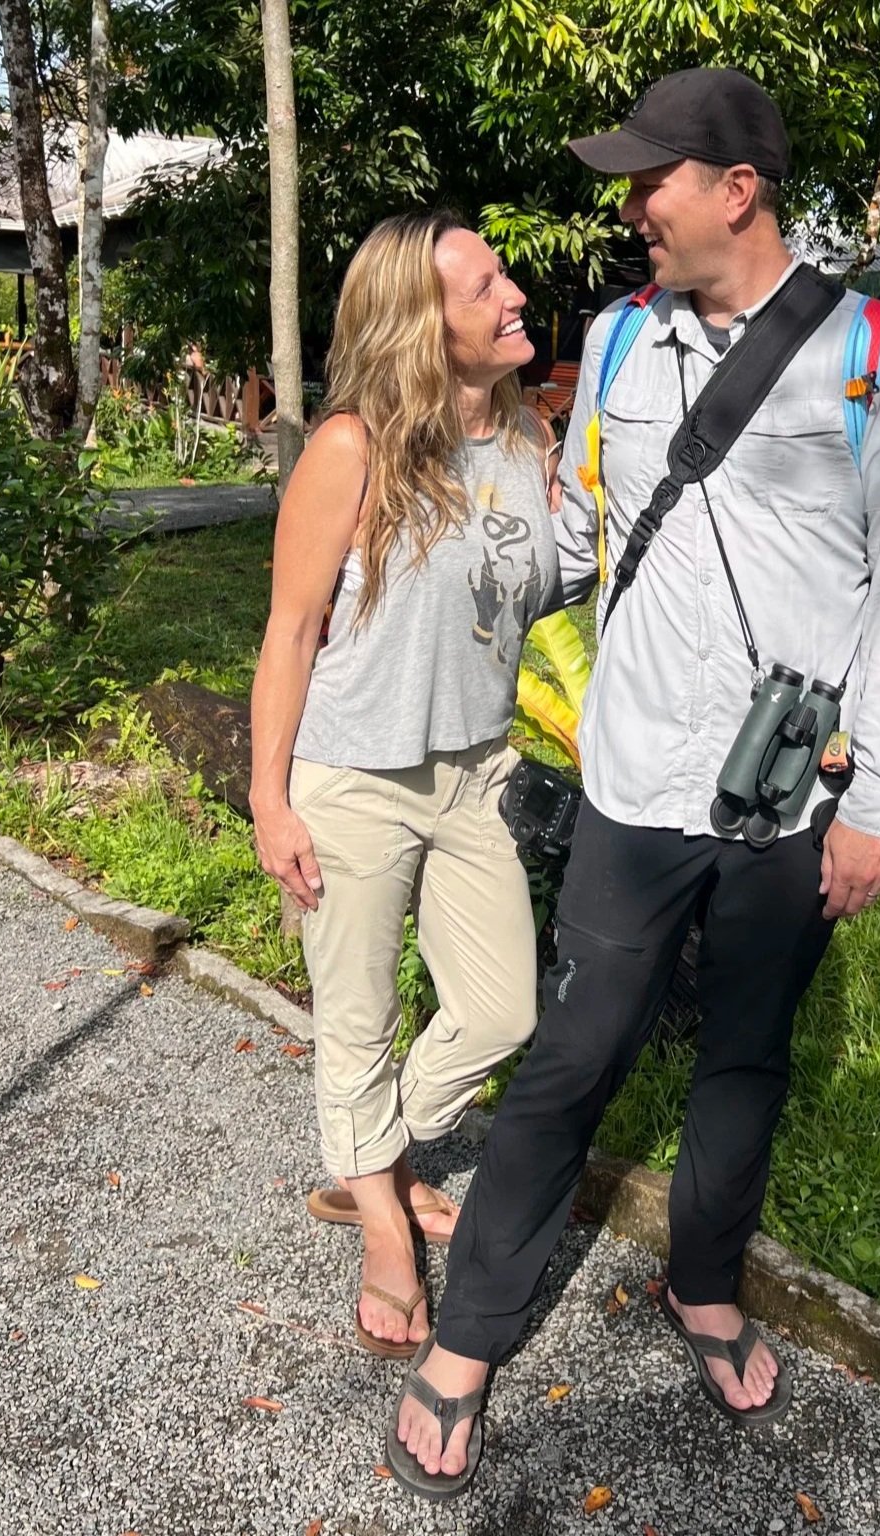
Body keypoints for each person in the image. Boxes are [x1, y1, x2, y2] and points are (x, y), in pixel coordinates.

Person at [386, 68, 880, 1498]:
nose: (632, 207)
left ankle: (703, 1282)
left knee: (746, 1055)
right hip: (634, 778)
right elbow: (581, 533)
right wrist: (423, 561)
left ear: (736, 191)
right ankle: (471, 1336)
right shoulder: (622, 339)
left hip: (789, 799)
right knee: (571, 1055)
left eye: (653, 180)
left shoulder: (878, 356)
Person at [249, 210, 555, 1360]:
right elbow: (291, 631)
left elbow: (544, 587)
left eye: (502, 275)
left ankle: (368, 1151)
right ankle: (383, 1218)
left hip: (476, 771)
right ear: (422, 328)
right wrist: (269, 799)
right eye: (482, 288)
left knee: (502, 1009)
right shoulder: (352, 449)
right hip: (355, 777)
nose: (512, 295)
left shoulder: (525, 439)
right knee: (358, 1013)